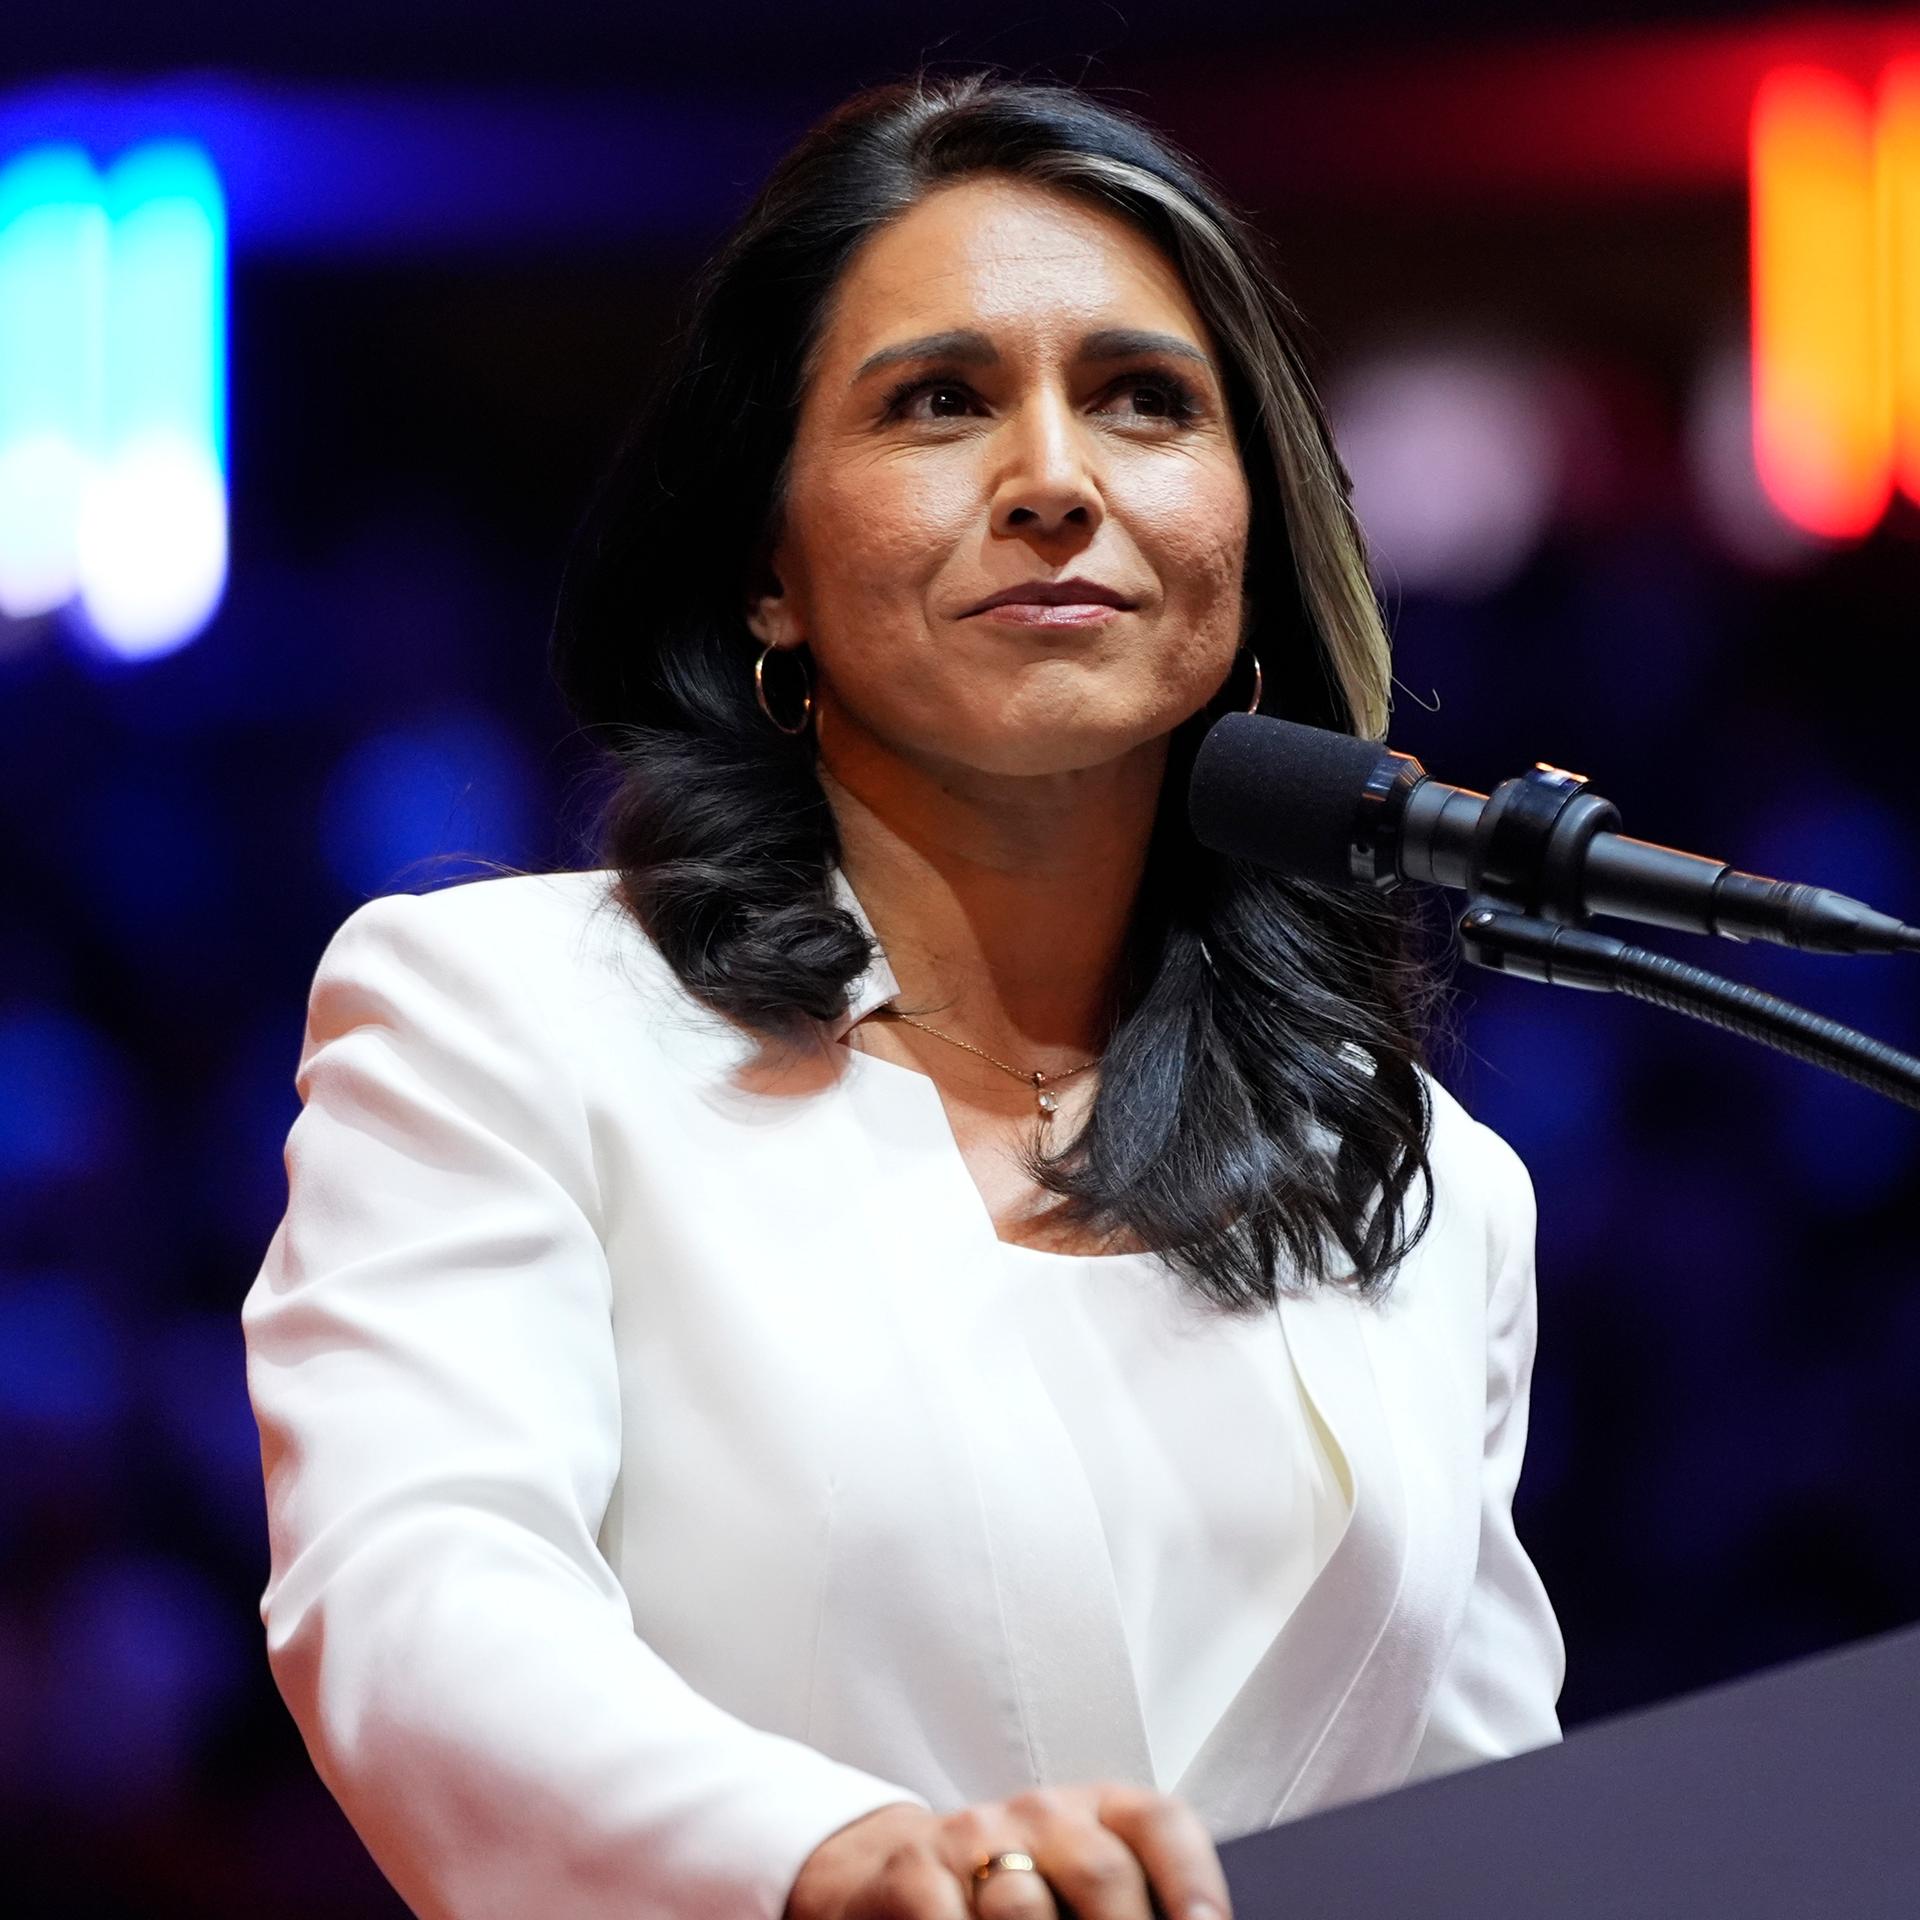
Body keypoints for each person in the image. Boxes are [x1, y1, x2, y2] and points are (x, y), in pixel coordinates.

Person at [242, 68, 1565, 1920]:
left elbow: (1481, 1821)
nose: (1053, 479)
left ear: (1246, 534)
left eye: (1143, 401)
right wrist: (820, 1859)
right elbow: (421, 1598)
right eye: (940, 401)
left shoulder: (1420, 1176)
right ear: (769, 568)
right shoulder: (497, 1016)